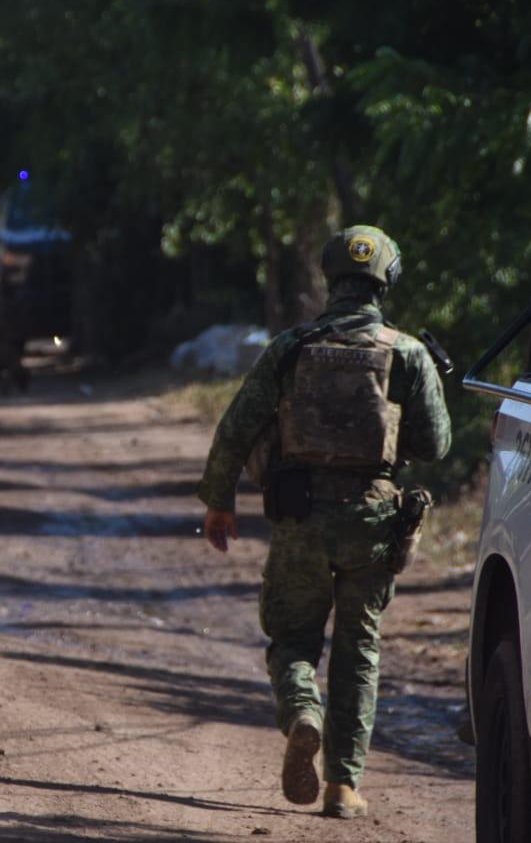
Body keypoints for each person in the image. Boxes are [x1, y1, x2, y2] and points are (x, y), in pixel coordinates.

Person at [197, 225, 451, 819]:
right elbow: (436, 444)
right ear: (385, 280)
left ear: (330, 277)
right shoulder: (407, 352)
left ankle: (301, 711)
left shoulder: (290, 346)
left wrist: (218, 499)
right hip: (372, 521)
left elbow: (236, 426)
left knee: (292, 639)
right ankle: (343, 786)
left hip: (299, 517)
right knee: (359, 648)